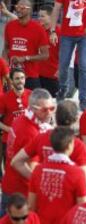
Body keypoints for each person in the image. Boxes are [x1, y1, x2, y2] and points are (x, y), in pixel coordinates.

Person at [11, 100, 86, 187]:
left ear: (55, 117)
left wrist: (38, 181)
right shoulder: (78, 145)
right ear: (76, 119)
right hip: (67, 196)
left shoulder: (41, 138)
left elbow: (16, 162)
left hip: (43, 194)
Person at [1, 88, 54, 216]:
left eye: (52, 108)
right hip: (21, 192)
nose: (50, 113)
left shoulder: (19, 120)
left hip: (10, 185)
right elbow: (31, 167)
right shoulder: (32, 133)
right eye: (45, 110)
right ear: (33, 109)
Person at [28, 127, 86, 224]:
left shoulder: (38, 170)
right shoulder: (77, 173)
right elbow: (82, 209)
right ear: (70, 145)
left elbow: (31, 206)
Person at [50, 0, 86, 110]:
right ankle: (63, 89)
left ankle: (83, 98)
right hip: (67, 33)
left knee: (84, 66)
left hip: (85, 34)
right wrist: (52, 30)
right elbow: (56, 8)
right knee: (63, 65)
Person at [3, 0, 49, 90]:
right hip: (12, 75)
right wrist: (5, 68)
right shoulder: (9, 26)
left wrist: (25, 58)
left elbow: (45, 55)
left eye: (22, 7)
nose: (18, 9)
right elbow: (6, 49)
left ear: (30, 10)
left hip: (30, 76)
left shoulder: (38, 29)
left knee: (33, 103)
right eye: (17, 7)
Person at [0, 68, 31, 178]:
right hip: (9, 141)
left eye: (22, 78)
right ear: (11, 81)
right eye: (17, 78)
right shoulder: (4, 98)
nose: (20, 81)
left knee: (28, 170)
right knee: (10, 171)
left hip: (28, 140)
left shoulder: (32, 95)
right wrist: (8, 129)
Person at [38, 5, 61, 97]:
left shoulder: (59, 32)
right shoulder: (38, 29)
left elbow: (65, 54)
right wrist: (7, 13)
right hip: (38, 75)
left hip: (52, 75)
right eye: (39, 16)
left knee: (53, 103)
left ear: (51, 17)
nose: (40, 18)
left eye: (42, 16)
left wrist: (60, 70)